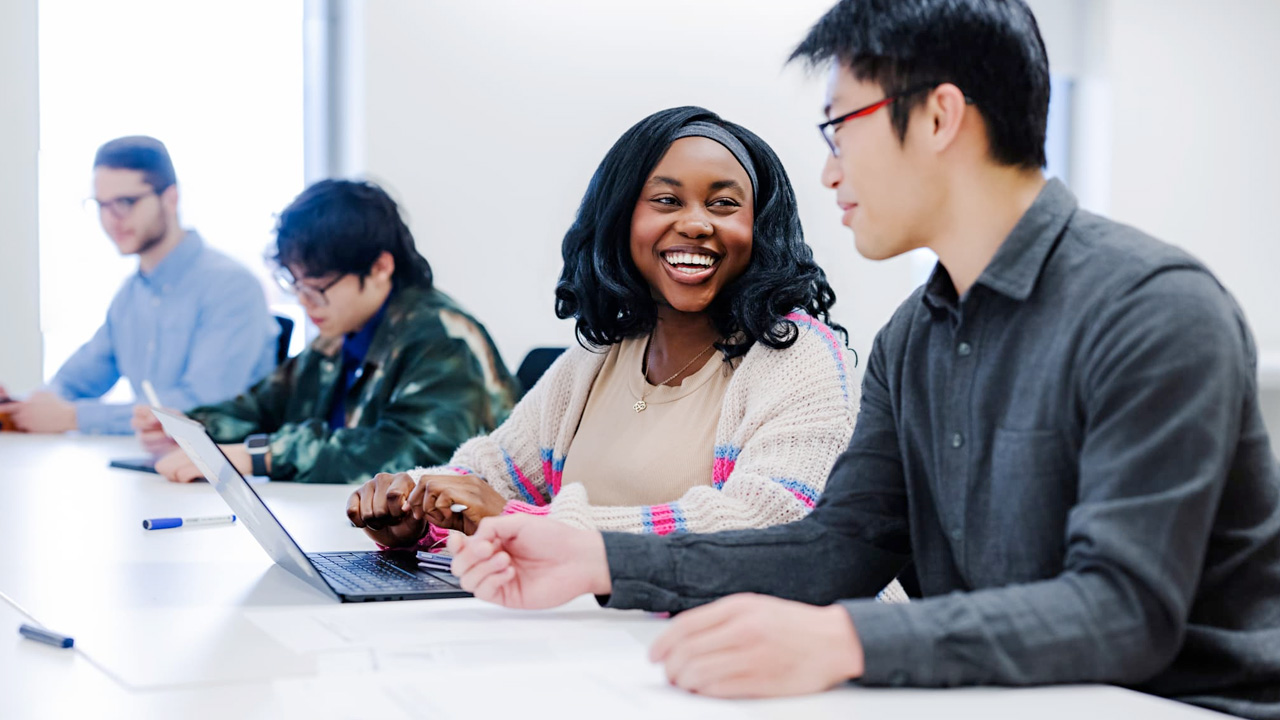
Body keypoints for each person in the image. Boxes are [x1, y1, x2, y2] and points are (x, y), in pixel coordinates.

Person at [444, 2, 1280, 717]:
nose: (829, 171)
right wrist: (594, 560)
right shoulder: (913, 335)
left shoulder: (1155, 310)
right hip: (1008, 697)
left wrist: (842, 637)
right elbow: (837, 549)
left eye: (840, 126)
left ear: (941, 116)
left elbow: (1123, 612)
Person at [347, 108, 899, 605]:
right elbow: (493, 474)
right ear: (620, 219)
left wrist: (533, 526)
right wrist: (419, 508)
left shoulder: (797, 355)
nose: (697, 222)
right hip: (617, 649)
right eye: (666, 200)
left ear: (760, 227)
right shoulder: (597, 360)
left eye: (725, 204)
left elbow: (771, 527)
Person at [134, 179, 520, 485]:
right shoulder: (340, 335)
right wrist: (193, 428)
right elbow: (263, 407)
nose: (305, 302)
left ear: (381, 267)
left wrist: (260, 457)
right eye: (296, 285)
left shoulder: (441, 338)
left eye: (317, 286)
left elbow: (418, 453)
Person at [0, 136, 277, 434]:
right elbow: (75, 381)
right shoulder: (131, 296)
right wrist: (22, 407)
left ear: (171, 199)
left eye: (125, 202)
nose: (111, 219)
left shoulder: (231, 287)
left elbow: (202, 405)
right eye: (101, 205)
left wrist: (74, 417)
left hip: (221, 471)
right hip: (153, 467)